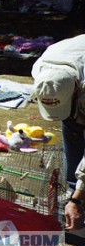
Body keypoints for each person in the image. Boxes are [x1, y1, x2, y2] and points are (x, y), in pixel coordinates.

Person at [31, 35, 85, 189]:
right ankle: (72, 184)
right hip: (74, 62)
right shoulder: (40, 72)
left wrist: (78, 197)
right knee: (71, 127)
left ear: (74, 91)